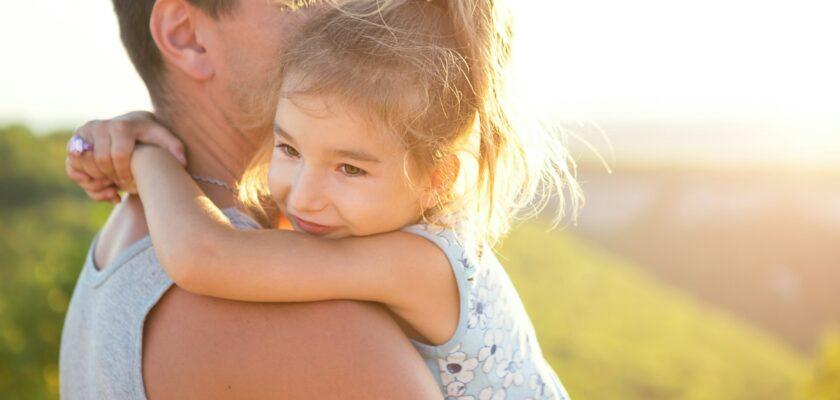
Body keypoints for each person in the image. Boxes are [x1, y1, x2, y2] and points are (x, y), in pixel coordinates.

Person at [68, 1, 583, 398]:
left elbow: (208, 256)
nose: (343, 13)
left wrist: (146, 155)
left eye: (350, 167)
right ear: (187, 38)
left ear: (436, 177)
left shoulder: (125, 243)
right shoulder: (319, 324)